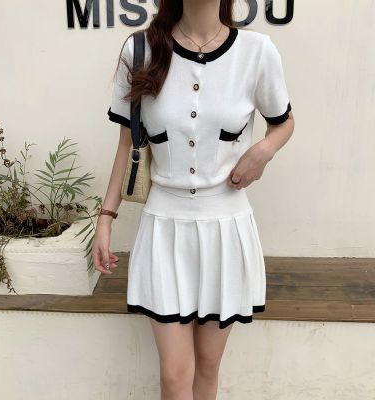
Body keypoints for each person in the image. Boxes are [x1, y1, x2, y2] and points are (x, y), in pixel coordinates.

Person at [92, 0, 295, 398]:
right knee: (174, 373)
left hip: (226, 227)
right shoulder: (141, 49)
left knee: (208, 364)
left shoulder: (257, 52)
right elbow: (126, 145)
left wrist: (264, 151)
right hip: (164, 228)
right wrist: (105, 218)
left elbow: (283, 121)